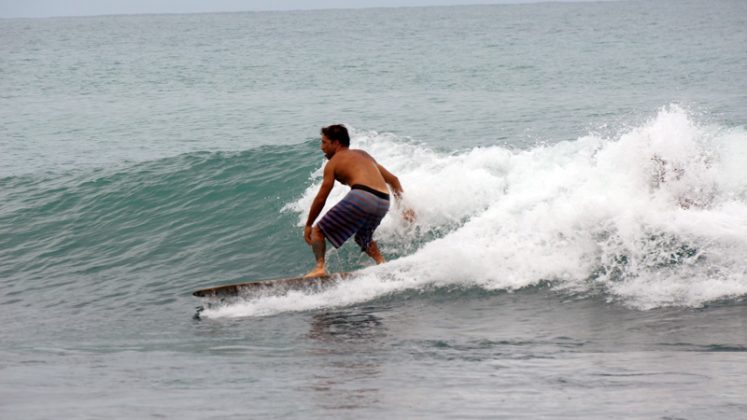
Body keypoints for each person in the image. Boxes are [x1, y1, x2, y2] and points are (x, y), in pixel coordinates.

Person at [303, 124, 413, 278]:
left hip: (362, 196)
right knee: (363, 238)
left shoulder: (333, 163)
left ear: (336, 143)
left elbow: (322, 197)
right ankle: (382, 264)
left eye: (324, 142)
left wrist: (308, 224)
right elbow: (393, 180)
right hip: (383, 200)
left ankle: (319, 268)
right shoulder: (364, 155)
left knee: (318, 231)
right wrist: (404, 207)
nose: (322, 147)